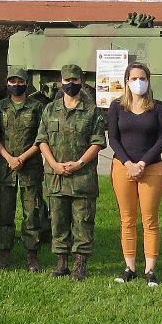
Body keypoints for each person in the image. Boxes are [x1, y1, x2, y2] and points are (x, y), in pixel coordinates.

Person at [38, 64, 106, 281]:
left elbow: (97, 142)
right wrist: (54, 164)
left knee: (82, 221)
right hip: (56, 176)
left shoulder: (92, 110)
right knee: (58, 220)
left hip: (82, 176)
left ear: (82, 82)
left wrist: (78, 164)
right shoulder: (50, 109)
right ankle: (61, 263)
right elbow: (42, 140)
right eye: (66, 80)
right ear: (60, 81)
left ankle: (80, 265)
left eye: (74, 80)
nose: (70, 84)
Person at [107, 62, 162, 286]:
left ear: (149, 80)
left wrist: (142, 162)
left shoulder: (158, 107)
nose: (138, 82)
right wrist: (128, 163)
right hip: (123, 168)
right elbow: (113, 138)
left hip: (151, 168)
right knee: (127, 219)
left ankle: (150, 269)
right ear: (126, 82)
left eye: (142, 78)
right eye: (133, 78)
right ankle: (130, 267)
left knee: (150, 220)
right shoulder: (116, 107)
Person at [0, 68, 50, 272]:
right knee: (5, 212)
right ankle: (4, 253)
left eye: (20, 82)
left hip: (30, 166)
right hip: (5, 167)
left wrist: (23, 158)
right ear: (7, 83)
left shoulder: (37, 107)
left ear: (27, 84)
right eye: (12, 81)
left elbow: (41, 137)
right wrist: (9, 158)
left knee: (31, 213)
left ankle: (31, 255)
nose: (16, 85)